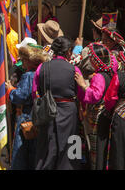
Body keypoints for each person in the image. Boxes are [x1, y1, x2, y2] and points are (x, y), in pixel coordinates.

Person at [32, 36, 84, 170]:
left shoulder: (41, 68)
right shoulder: (75, 70)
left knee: (47, 148)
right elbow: (82, 95)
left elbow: (34, 92)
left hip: (47, 112)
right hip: (69, 113)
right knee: (71, 147)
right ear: (68, 52)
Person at [74, 42, 118, 170]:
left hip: (97, 117)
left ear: (94, 60)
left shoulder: (99, 77)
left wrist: (82, 84)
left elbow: (95, 95)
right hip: (107, 114)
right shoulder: (111, 74)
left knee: (95, 148)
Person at [6, 45, 47, 170]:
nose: (21, 62)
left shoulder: (28, 76)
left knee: (22, 153)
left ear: (30, 61)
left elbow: (21, 96)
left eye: (23, 59)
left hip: (27, 117)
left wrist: (10, 90)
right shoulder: (41, 74)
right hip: (38, 116)